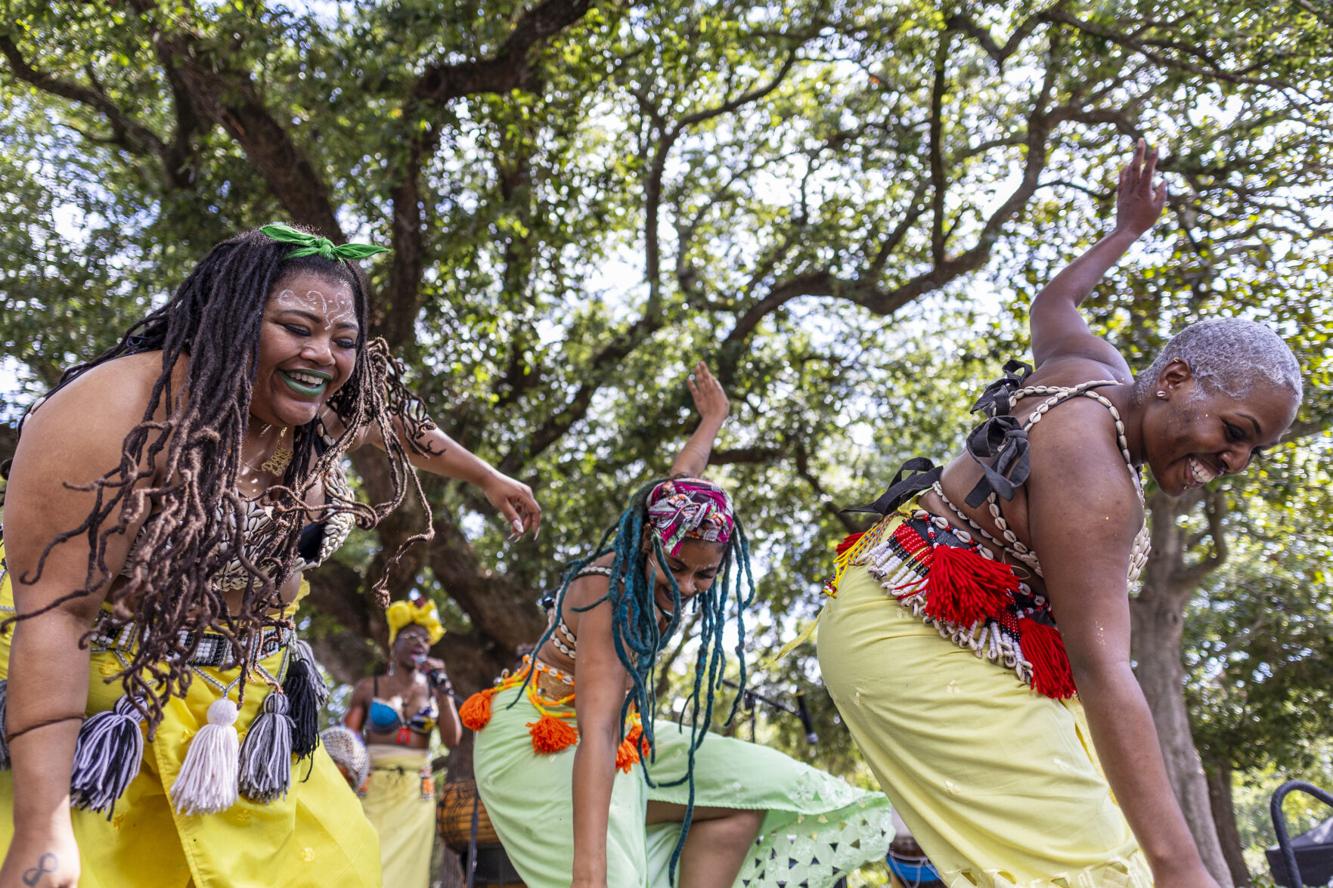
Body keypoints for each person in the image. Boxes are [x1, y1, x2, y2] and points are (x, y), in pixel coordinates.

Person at [816, 141, 1303, 886]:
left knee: (1114, 834)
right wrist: (1182, 868)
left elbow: (1054, 304)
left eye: (1250, 450)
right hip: (913, 638)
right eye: (1232, 431)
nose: (1233, 460)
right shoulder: (1095, 478)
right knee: (1103, 873)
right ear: (1174, 379)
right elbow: (1103, 668)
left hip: (935, 620)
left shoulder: (1091, 369)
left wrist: (1124, 231)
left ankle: (923, 854)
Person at [0, 223, 540, 888]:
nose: (324, 356)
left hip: (257, 709)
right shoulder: (115, 413)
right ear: (228, 321)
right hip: (109, 715)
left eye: (343, 340)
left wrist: (485, 476)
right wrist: (41, 830)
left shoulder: (326, 414)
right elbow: (59, 618)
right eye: (296, 327)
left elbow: (401, 420)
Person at [464, 363, 894, 888]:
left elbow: (682, 477)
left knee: (755, 796)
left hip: (617, 734)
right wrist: (589, 873)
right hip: (540, 739)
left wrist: (714, 418)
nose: (687, 583)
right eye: (676, 567)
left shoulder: (674, 522)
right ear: (647, 542)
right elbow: (596, 731)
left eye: (704, 573)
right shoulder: (609, 592)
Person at [344, 593, 463, 888]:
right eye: (410, 636)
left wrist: (444, 691)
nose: (419, 643)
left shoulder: (435, 691)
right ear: (393, 643)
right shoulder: (368, 688)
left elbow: (453, 740)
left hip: (416, 793)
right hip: (373, 787)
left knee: (409, 875)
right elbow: (345, 743)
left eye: (425, 639)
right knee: (365, 862)